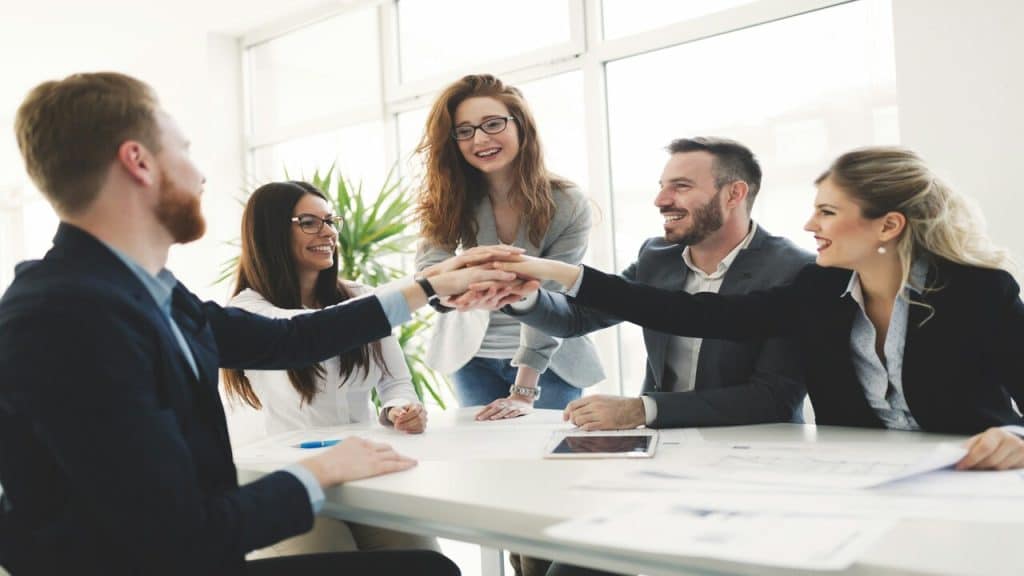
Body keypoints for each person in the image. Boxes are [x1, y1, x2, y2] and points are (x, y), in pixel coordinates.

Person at [0, 71, 516, 574]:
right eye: (184, 149)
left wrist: (431, 285)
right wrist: (321, 471)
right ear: (139, 162)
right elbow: (173, 537)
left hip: (193, 549)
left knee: (426, 567)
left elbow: (294, 339)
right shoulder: (61, 318)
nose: (200, 174)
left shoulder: (149, 294)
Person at [498, 146, 1024, 471]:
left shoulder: (980, 293)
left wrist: (1016, 437)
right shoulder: (820, 291)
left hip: (970, 478)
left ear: (888, 226)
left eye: (828, 211)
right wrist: (550, 271)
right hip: (859, 480)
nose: (809, 224)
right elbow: (697, 314)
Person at [506, 137, 811, 430]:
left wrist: (642, 409)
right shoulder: (657, 256)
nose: (660, 201)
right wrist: (523, 295)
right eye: (662, 187)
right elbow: (577, 318)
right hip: (664, 444)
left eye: (681, 187)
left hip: (754, 449)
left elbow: (774, 398)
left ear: (734, 194)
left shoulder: (794, 270)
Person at [221, 180, 437, 557]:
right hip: (286, 479)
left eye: (329, 220)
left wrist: (399, 409)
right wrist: (421, 290)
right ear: (271, 232)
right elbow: (303, 332)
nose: (328, 233)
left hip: (360, 471)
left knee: (428, 561)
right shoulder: (246, 312)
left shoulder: (361, 299)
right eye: (309, 222)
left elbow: (395, 380)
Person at [413, 73, 602, 422]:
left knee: (550, 464)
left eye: (492, 124)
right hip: (473, 359)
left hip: (552, 363)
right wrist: (458, 284)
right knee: (487, 467)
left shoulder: (567, 202)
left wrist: (525, 388)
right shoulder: (449, 198)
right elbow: (430, 266)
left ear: (521, 126)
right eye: (464, 130)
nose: (480, 139)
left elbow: (554, 295)